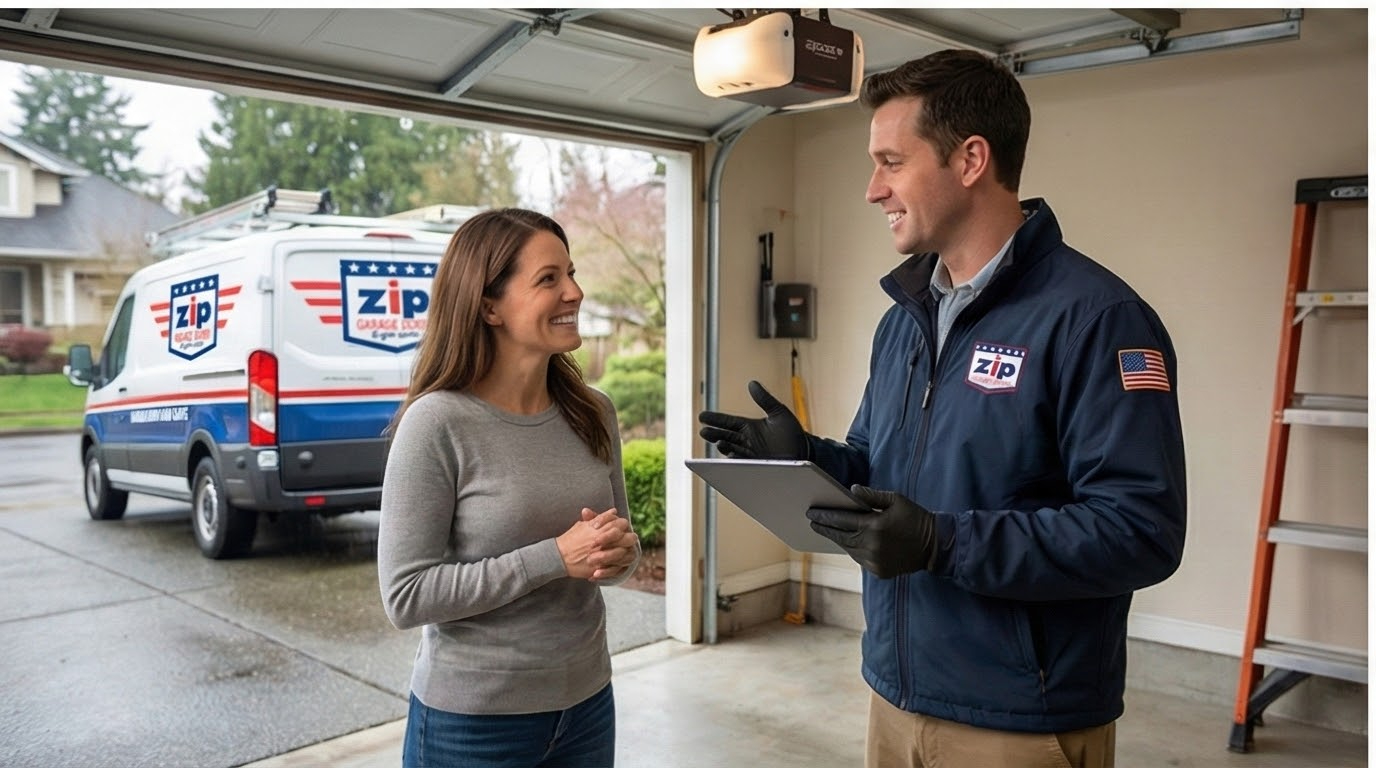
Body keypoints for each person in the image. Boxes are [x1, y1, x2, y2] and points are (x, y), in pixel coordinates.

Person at [699, 49, 1186, 767]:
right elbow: (881, 475)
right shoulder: (905, 318)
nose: (873, 190)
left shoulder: (1097, 319)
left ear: (970, 160)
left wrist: (943, 543)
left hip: (1018, 719)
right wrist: (805, 458)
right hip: (895, 696)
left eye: (891, 162)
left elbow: (1139, 530)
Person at [378, 207, 641, 768]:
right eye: (549, 279)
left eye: (570, 272)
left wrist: (619, 553)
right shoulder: (437, 423)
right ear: (488, 305)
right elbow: (406, 596)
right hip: (474, 725)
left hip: (588, 704)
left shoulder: (594, 411)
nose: (574, 291)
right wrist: (552, 558)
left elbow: (618, 545)